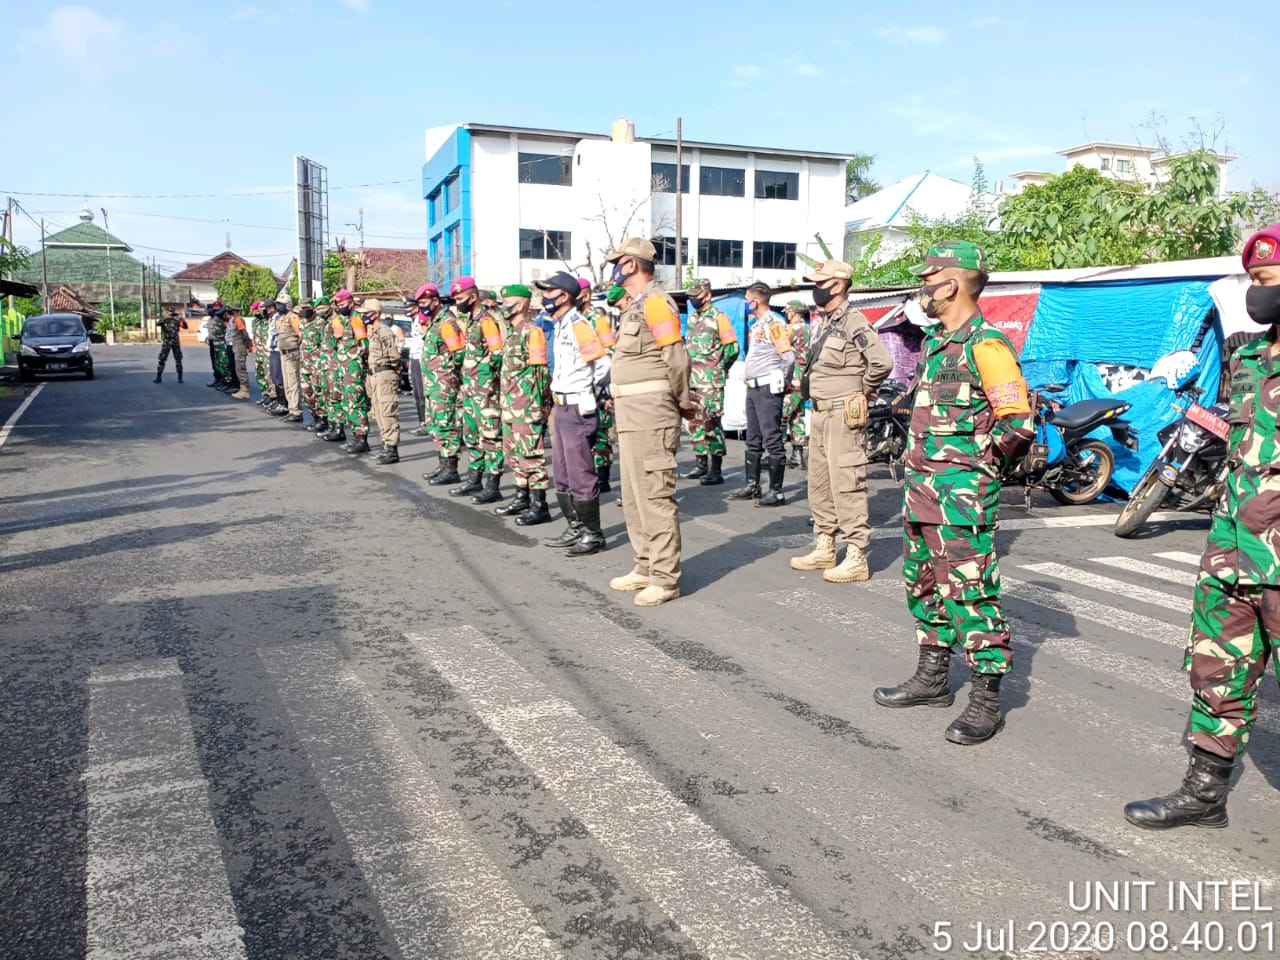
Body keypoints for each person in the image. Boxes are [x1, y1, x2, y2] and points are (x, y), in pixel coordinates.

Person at [1124, 225, 1280, 829]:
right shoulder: (1248, 357)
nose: (1257, 294)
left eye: (1268, 282)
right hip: (1234, 552)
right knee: (1218, 673)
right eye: (1257, 282)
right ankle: (1204, 793)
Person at [872, 242, 1032, 746]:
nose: (923, 288)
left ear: (953, 284)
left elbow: (1019, 425)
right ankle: (932, 679)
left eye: (930, 278)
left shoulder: (986, 345)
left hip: (959, 499)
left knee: (972, 594)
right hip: (921, 493)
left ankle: (985, 700)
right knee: (923, 588)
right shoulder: (938, 343)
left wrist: (981, 473)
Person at [790, 261, 893, 582]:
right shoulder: (825, 322)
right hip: (820, 412)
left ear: (837, 284)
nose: (814, 288)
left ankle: (856, 555)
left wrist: (862, 394)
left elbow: (882, 362)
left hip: (842, 415)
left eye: (820, 282)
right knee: (819, 482)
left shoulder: (853, 321)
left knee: (846, 482)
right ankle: (824, 544)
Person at [604, 239, 691, 607]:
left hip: (653, 415)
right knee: (635, 498)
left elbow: (676, 358)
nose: (613, 268)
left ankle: (664, 577)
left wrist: (684, 404)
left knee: (654, 497)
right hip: (631, 416)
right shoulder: (634, 307)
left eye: (618, 262)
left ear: (633, 264)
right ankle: (644, 564)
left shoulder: (656, 302)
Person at [538, 271, 610, 556]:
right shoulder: (560, 325)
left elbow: (603, 365)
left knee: (581, 473)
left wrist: (587, 390)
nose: (544, 297)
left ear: (564, 295)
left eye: (548, 291)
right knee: (562, 472)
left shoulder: (580, 325)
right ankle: (575, 527)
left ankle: (593, 534)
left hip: (578, 405)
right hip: (561, 405)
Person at [728, 283, 794, 507]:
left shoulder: (774, 323)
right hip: (753, 387)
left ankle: (776, 491)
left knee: (772, 438)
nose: (745, 303)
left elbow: (789, 357)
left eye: (747, 299)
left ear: (755, 301)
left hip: (768, 388)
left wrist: (783, 382)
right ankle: (752, 485)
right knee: (752, 437)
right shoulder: (755, 324)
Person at [494, 284, 553, 525]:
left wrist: (541, 405)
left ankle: (540, 506)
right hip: (510, 406)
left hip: (527, 406)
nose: (503, 307)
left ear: (520, 305)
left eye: (507, 303)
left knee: (531, 456)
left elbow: (540, 373)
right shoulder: (512, 332)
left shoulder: (532, 332)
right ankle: (522, 497)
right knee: (513, 454)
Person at [681, 278, 739, 486]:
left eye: (696, 297)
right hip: (692, 380)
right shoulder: (692, 318)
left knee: (711, 423)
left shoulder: (719, 318)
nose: (693, 300)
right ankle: (700, 464)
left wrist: (719, 368)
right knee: (694, 423)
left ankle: (716, 469)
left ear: (707, 295)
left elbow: (732, 348)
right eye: (690, 297)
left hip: (711, 382)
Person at [454, 279, 506, 503]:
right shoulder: (471, 321)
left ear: (472, 297)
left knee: (490, 437)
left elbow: (497, 352)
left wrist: (488, 379)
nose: (458, 303)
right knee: (471, 434)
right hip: (470, 388)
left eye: (460, 299)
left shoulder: (487, 321)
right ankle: (474, 480)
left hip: (485, 390)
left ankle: (492, 486)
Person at [579, 278, 618, 493]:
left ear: (584, 295)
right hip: (580, 385)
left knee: (601, 431)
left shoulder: (598, 319)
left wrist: (603, 386)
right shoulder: (574, 319)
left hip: (598, 384)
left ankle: (603, 478)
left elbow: (609, 351)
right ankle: (589, 473)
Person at [361, 299, 403, 464]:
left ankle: (392, 449)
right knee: (378, 412)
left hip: (384, 373)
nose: (364, 316)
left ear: (376, 313)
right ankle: (386, 446)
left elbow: (393, 355)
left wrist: (394, 368)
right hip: (374, 375)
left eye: (367, 313)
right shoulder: (374, 331)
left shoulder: (384, 331)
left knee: (387, 412)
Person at [332, 289, 372, 455]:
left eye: (342, 304)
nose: (340, 307)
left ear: (350, 302)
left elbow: (364, 345)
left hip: (353, 366)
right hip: (344, 365)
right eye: (338, 305)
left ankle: (362, 438)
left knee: (356, 402)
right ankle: (355, 436)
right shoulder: (343, 319)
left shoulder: (356, 319)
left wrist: (359, 363)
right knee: (347, 402)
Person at [781, 300, 811, 469]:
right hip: (804, 378)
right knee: (797, 415)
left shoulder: (791, 330)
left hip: (792, 377)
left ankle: (776, 453)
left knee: (781, 415)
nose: (787, 315)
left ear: (793, 312)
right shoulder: (809, 329)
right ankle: (797, 454)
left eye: (788, 312)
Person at [300, 296, 330, 432]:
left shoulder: (320, 323)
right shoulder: (304, 323)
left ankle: (323, 419)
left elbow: (325, 344)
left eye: (307, 308)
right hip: (305, 364)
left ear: (313, 309)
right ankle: (315, 417)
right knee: (307, 393)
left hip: (316, 365)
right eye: (302, 308)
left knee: (319, 393)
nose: (304, 311)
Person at [277, 301, 305, 422]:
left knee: (293, 382)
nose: (278, 306)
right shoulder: (282, 318)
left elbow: (300, 334)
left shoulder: (293, 317)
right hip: (284, 353)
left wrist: (296, 347)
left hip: (292, 353)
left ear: (288, 304)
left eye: (281, 303)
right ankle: (291, 409)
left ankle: (296, 411)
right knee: (287, 382)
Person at [405, 297, 430, 436]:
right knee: (416, 394)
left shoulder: (422, 319)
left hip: (422, 358)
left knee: (422, 394)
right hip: (414, 357)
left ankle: (426, 423)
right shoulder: (414, 320)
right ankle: (421, 422)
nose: (407, 310)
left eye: (409, 307)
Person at [227, 306, 254, 400]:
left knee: (240, 368)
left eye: (230, 308)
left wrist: (248, 345)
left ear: (234, 310)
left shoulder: (238, 320)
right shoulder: (234, 319)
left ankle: (245, 390)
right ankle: (243, 389)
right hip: (237, 347)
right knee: (238, 368)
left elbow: (244, 333)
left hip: (240, 347)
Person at [154, 309, 188, 383]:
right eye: (169, 312)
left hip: (175, 342)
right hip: (167, 342)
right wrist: (166, 318)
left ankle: (180, 377)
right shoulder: (164, 320)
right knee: (162, 358)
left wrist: (182, 319)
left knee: (178, 359)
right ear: (167, 312)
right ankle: (158, 376)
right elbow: (158, 323)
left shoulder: (177, 319)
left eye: (172, 312)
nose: (170, 313)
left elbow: (185, 327)